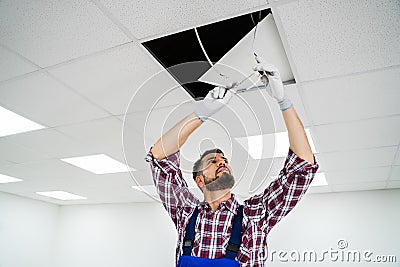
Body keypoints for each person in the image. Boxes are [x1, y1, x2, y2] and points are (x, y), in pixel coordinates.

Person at [145, 57, 319, 267]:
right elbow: (159, 157)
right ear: (199, 180)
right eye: (212, 160)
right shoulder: (185, 212)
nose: (222, 162)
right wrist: (202, 113)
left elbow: (303, 169)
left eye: (224, 159)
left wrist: (284, 102)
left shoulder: (256, 214)